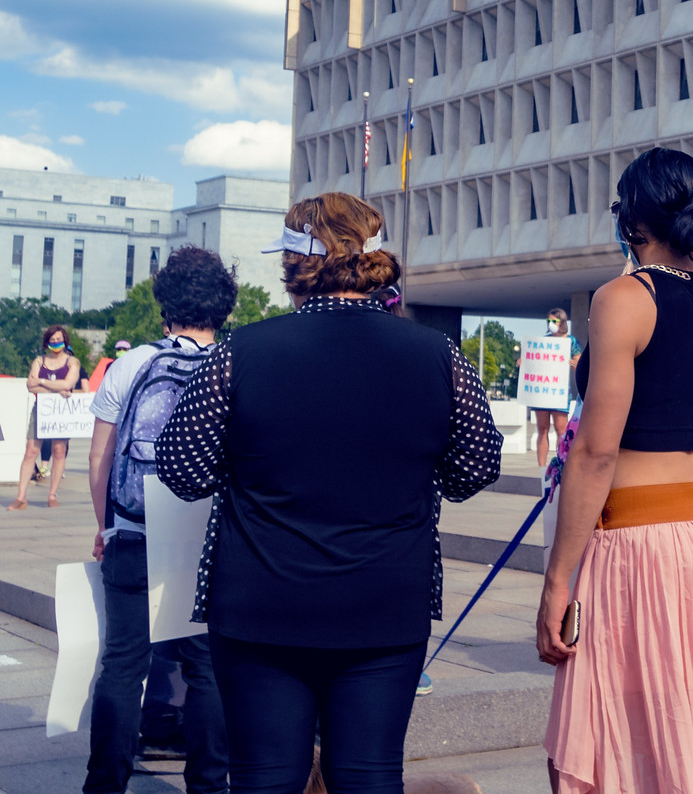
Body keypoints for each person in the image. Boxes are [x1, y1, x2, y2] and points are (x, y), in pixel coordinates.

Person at [154, 192, 503, 794]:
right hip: (385, 600)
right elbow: (476, 465)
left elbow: (182, 467)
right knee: (368, 776)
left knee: (264, 778)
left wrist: (246, 470)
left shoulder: (240, 353)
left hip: (260, 599)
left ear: (294, 269)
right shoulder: (439, 356)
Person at [539, 148, 693, 794]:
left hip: (635, 538)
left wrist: (556, 580)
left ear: (632, 220)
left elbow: (594, 451)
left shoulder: (623, 297)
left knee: (615, 727)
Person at [82, 247, 236, 794]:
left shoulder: (132, 364)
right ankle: (209, 785)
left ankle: (104, 784)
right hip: (207, 542)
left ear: (164, 302)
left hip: (133, 533)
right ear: (225, 304)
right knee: (207, 669)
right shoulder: (238, 364)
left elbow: (101, 461)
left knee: (124, 666)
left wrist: (106, 527)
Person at [8, 325, 81, 509]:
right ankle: (21, 496)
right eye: (52, 340)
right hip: (40, 410)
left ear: (65, 340)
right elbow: (30, 386)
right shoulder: (39, 361)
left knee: (58, 451)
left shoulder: (72, 362)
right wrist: (55, 387)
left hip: (62, 412)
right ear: (46, 342)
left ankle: (52, 494)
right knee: (31, 451)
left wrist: (42, 382)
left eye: (59, 339)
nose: (56, 343)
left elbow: (69, 383)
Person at [534, 308, 575, 466]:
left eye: (554, 321)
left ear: (562, 322)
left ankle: (560, 464)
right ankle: (541, 467)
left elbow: (580, 364)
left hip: (560, 392)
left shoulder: (571, 342)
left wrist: (573, 363)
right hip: (542, 392)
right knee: (542, 429)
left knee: (560, 430)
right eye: (548, 321)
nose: (550, 324)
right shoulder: (542, 341)